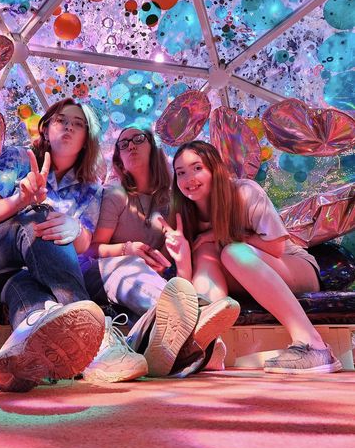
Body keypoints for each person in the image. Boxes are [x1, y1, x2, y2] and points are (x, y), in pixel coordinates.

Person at [0, 98, 106, 392]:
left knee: (34, 300)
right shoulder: (18, 159)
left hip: (14, 279)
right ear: (46, 129)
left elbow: (83, 244)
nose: (68, 126)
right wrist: (21, 201)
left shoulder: (91, 188)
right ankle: (97, 335)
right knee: (39, 218)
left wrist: (74, 226)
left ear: (86, 140)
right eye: (60, 120)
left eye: (78, 123)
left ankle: (23, 352)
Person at [163, 140, 342, 374]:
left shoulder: (244, 192)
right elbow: (190, 277)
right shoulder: (184, 215)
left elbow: (276, 248)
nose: (189, 179)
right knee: (205, 250)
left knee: (232, 251)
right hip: (242, 277)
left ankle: (314, 345)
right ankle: (206, 345)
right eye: (181, 173)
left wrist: (222, 234)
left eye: (197, 168)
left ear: (214, 168)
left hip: (293, 267)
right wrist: (182, 257)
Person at [81, 127, 238, 383]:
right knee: (131, 265)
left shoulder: (171, 198)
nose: (130, 145)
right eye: (123, 143)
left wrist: (169, 257)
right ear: (119, 159)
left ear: (153, 148)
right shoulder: (116, 194)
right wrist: (127, 249)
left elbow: (171, 257)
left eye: (138, 139)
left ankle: (181, 352)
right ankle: (198, 326)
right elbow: (92, 249)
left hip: (145, 281)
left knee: (152, 318)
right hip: (103, 274)